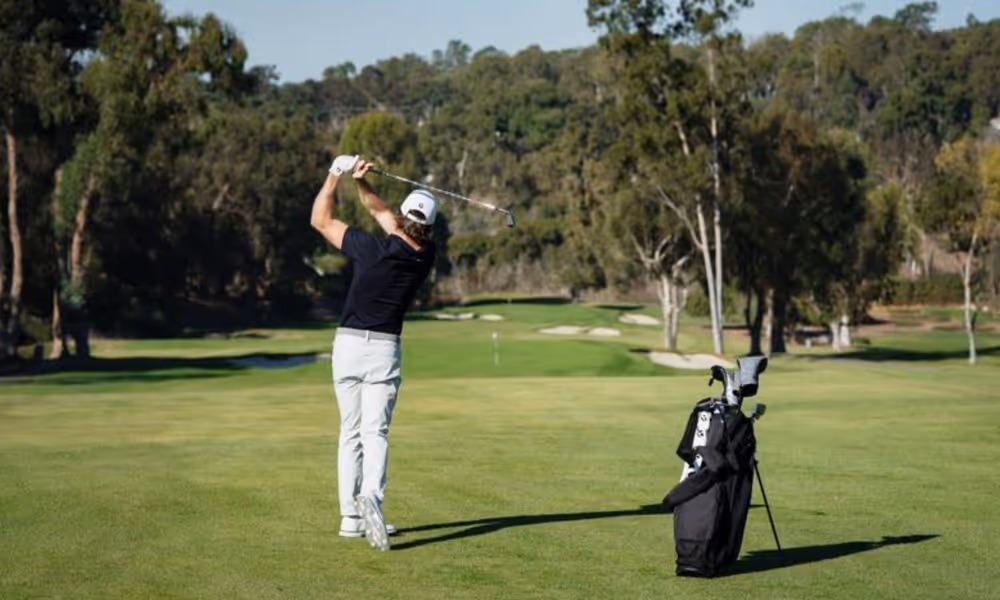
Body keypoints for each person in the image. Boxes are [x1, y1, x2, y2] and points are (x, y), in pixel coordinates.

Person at [309, 154, 437, 551]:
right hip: (384, 350)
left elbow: (320, 220)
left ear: (402, 216)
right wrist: (362, 183)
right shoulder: (423, 256)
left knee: (350, 433)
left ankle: (350, 516)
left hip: (347, 346)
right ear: (428, 226)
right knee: (375, 432)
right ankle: (372, 502)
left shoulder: (370, 249)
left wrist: (336, 174)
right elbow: (384, 214)